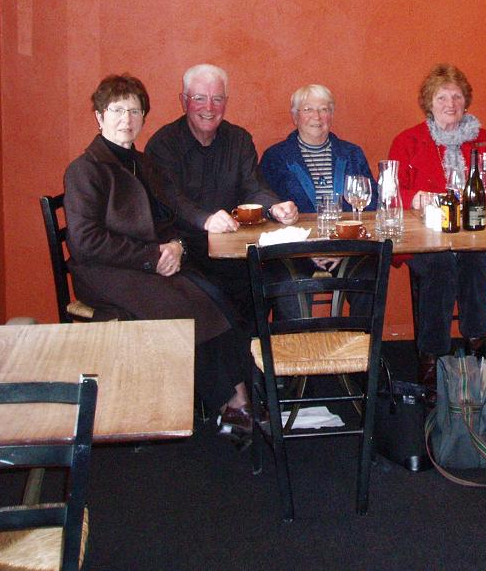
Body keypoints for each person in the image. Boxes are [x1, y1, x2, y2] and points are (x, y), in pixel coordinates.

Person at [64, 74, 254, 437]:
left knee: (216, 294)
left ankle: (238, 397)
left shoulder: (143, 164)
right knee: (190, 307)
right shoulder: (84, 171)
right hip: (106, 272)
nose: (126, 119)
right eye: (116, 110)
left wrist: (177, 246)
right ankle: (231, 402)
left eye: (134, 111)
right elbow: (86, 242)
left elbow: (169, 216)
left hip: (149, 264)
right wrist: (153, 256)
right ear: (99, 117)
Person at [145, 63, 298, 331]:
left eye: (217, 99)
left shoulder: (239, 139)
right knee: (216, 299)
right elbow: (170, 198)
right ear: (183, 101)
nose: (209, 107)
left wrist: (275, 207)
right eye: (199, 98)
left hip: (235, 252)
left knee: (275, 281)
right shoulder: (163, 144)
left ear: (226, 102)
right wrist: (205, 220)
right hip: (186, 251)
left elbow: (254, 187)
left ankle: (258, 355)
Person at [389, 64, 486, 388]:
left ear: (466, 101)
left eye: (457, 96)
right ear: (429, 102)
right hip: (425, 239)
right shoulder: (408, 141)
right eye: (442, 97)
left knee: (473, 259)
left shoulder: (485, 141)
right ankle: (432, 355)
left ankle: (475, 343)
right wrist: (415, 198)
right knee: (441, 263)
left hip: (474, 235)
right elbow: (390, 191)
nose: (450, 104)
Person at [259, 84, 377, 214]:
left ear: (331, 115)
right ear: (295, 117)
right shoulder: (275, 157)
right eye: (308, 109)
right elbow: (266, 204)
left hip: (347, 227)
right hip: (297, 227)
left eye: (323, 109)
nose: (316, 116)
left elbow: (371, 201)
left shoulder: (352, 154)